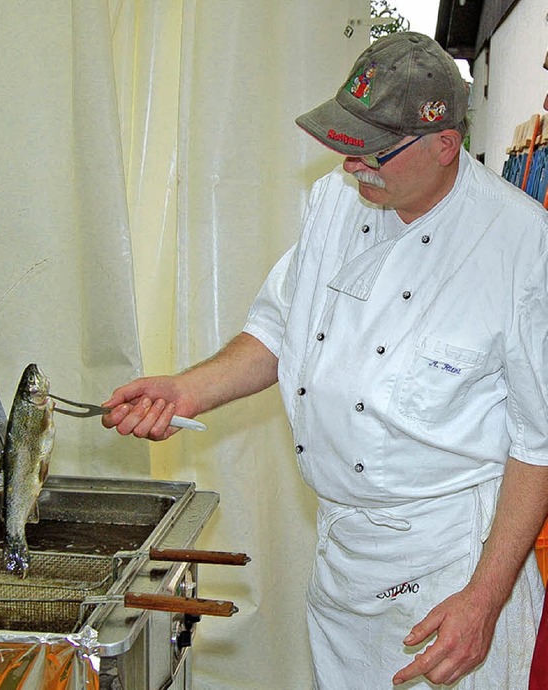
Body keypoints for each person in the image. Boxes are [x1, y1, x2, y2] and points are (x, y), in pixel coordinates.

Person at [103, 32, 548, 689]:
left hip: (451, 571)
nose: (350, 166)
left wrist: (483, 601)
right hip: (346, 560)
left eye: (371, 152)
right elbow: (279, 329)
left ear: (444, 145)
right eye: (344, 144)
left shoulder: (519, 243)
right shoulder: (335, 204)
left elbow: (538, 444)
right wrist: (184, 390)